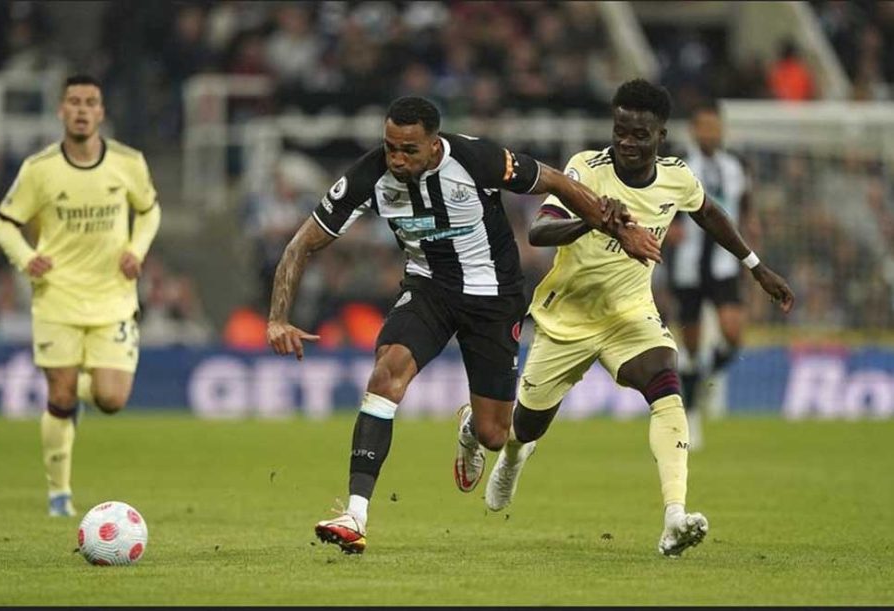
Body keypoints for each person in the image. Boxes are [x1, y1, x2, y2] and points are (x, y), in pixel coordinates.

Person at [266, 96, 661, 554]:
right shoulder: (367, 176)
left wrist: (621, 230)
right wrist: (277, 318)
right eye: (390, 146)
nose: (396, 158)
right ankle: (355, 513)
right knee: (385, 375)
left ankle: (472, 428)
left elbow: (555, 181)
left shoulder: (477, 159)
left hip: (494, 297)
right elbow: (300, 244)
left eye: (408, 150)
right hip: (429, 291)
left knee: (496, 435)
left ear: (435, 145)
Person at [482, 79, 794, 557]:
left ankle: (674, 516)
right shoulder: (585, 169)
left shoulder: (677, 177)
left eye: (639, 134)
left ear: (660, 137)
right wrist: (594, 217)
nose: (626, 142)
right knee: (525, 425)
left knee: (665, 381)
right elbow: (540, 231)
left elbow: (710, 213)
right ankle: (513, 458)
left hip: (629, 314)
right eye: (620, 131)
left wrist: (757, 267)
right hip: (567, 317)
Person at [0, 75, 161, 517]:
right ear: (61, 111)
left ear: (101, 112)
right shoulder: (39, 169)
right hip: (57, 296)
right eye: (74, 102)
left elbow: (149, 211)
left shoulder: (128, 162)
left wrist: (135, 250)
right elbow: (4, 223)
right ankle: (58, 494)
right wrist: (27, 259)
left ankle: (72, 396)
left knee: (111, 399)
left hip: (113, 298)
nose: (82, 109)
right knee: (61, 395)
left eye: (90, 102)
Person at [666, 102, 761, 449]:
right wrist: (670, 229)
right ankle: (690, 413)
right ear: (694, 129)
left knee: (733, 333)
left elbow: (745, 203)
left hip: (723, 263)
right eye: (704, 126)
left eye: (715, 126)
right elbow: (661, 200)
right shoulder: (677, 163)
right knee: (689, 346)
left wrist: (751, 223)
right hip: (687, 263)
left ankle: (700, 380)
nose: (711, 133)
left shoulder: (735, 165)